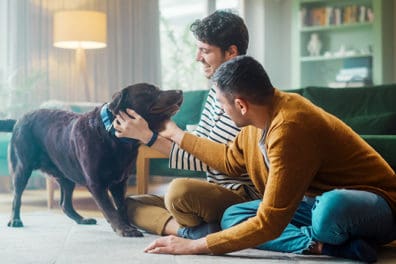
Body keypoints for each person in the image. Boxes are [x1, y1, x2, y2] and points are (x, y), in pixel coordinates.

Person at [115, 56, 396, 262]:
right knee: (233, 216)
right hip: (311, 201)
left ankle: (327, 234)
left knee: (330, 210)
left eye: (223, 105)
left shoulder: (290, 127)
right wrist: (176, 135)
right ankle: (325, 246)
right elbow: (227, 158)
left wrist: (198, 245)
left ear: (241, 105)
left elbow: (270, 222)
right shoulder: (257, 121)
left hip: (376, 203)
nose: (222, 112)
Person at [115, 10, 260, 239]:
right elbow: (198, 144)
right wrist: (158, 132)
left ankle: (199, 225)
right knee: (127, 205)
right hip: (210, 192)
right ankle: (189, 231)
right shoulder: (216, 91)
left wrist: (150, 137)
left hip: (239, 197)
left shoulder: (245, 100)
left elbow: (207, 161)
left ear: (231, 52)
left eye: (205, 50)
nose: (197, 57)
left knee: (179, 191)